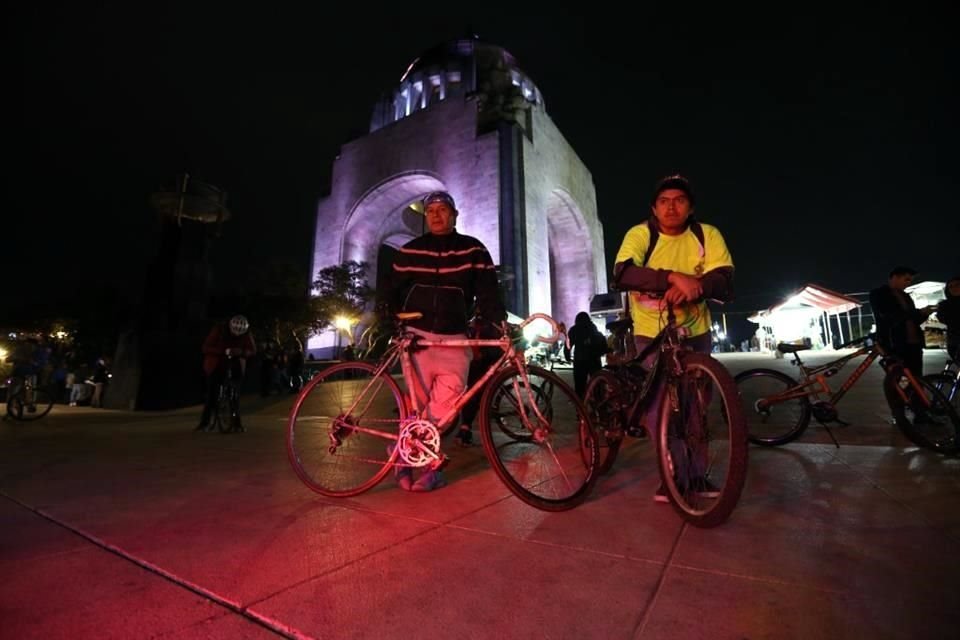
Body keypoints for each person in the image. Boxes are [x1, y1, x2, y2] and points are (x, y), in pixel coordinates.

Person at [612, 174, 734, 503]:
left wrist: (697, 287)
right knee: (661, 406)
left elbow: (723, 278)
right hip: (650, 331)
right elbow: (621, 272)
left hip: (696, 332)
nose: (671, 207)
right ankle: (671, 475)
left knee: (695, 407)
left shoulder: (706, 234)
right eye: (664, 201)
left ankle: (695, 475)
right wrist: (672, 278)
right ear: (654, 208)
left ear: (690, 208)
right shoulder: (641, 234)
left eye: (679, 201)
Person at [381, 190, 506, 491]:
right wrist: (394, 318)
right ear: (426, 217)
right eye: (431, 210)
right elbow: (391, 290)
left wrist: (498, 324)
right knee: (415, 407)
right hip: (419, 339)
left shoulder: (473, 250)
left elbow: (488, 291)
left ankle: (409, 456)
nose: (436, 215)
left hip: (455, 340)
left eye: (443, 209)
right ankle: (413, 462)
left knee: (445, 409)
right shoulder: (410, 251)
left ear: (454, 215)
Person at [869, 266, 935, 377]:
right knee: (898, 379)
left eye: (910, 280)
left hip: (914, 344)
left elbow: (913, 320)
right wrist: (918, 313)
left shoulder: (906, 296)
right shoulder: (879, 294)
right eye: (906, 279)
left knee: (917, 378)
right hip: (895, 344)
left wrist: (924, 314)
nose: (908, 283)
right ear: (894, 277)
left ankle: (915, 395)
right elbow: (890, 316)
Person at [196, 314, 257, 432]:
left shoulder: (246, 333)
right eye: (234, 332)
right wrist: (222, 351)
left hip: (235, 364)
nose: (236, 335)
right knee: (212, 394)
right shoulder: (219, 330)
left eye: (239, 334)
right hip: (217, 364)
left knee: (234, 395)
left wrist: (241, 352)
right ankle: (204, 423)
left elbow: (252, 350)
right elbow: (205, 347)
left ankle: (237, 423)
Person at [564, 311, 608, 399]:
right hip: (594, 360)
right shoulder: (593, 327)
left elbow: (568, 345)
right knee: (597, 384)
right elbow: (601, 341)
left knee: (580, 386)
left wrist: (567, 356)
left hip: (580, 361)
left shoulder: (574, 329)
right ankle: (600, 404)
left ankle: (581, 407)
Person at [936, 276, 960, 361]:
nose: (954, 288)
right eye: (951, 286)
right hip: (954, 341)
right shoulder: (944, 305)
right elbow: (944, 319)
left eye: (957, 285)